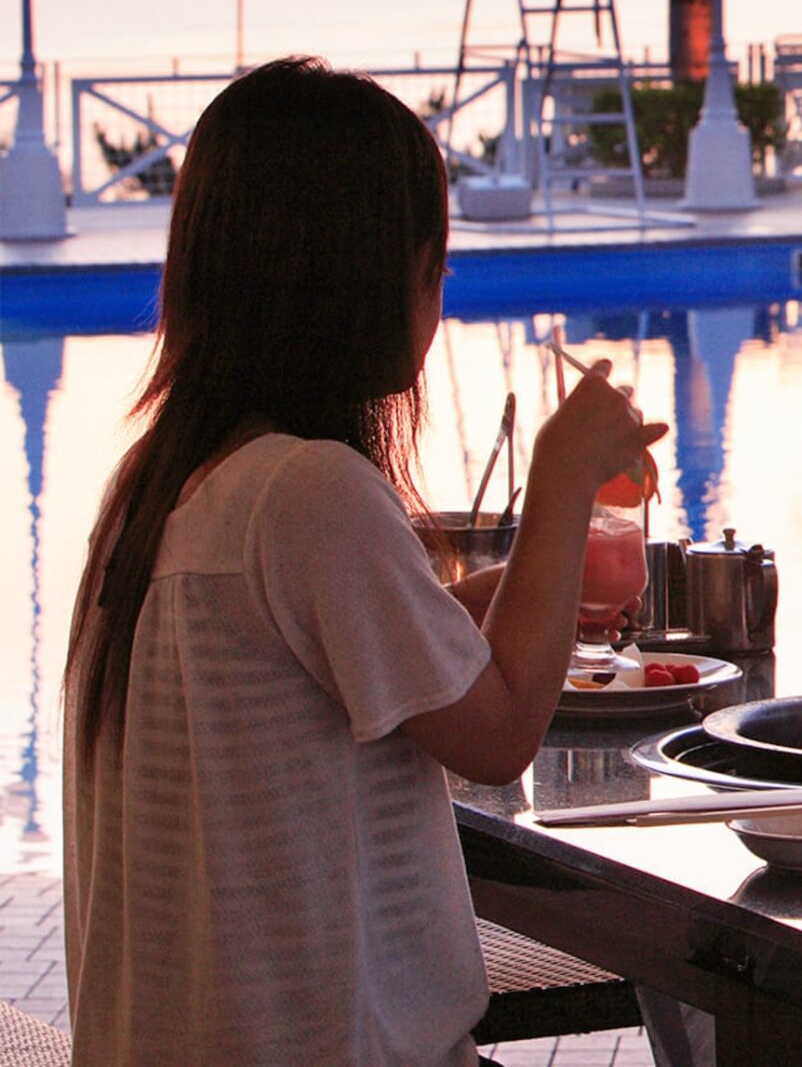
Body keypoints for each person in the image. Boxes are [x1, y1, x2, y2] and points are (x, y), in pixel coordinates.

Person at [62, 58, 664, 1066]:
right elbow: (497, 738)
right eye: (436, 265)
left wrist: (517, 588)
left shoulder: (161, 483)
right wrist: (562, 479)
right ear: (369, 277)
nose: (439, 294)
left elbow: (348, 651)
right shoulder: (311, 493)